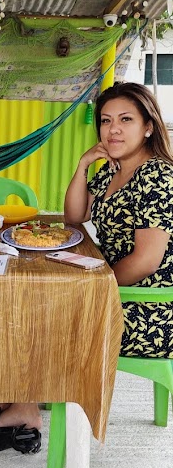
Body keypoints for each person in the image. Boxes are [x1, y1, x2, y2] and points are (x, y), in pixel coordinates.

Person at [64, 81, 173, 358]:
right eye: (106, 121)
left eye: (126, 119)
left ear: (148, 127)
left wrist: (97, 288)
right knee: (41, 304)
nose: (113, 129)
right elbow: (75, 216)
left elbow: (145, 262)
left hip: (150, 309)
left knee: (53, 315)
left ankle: (27, 401)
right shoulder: (114, 169)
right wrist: (83, 165)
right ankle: (22, 397)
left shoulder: (157, 176)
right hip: (117, 290)